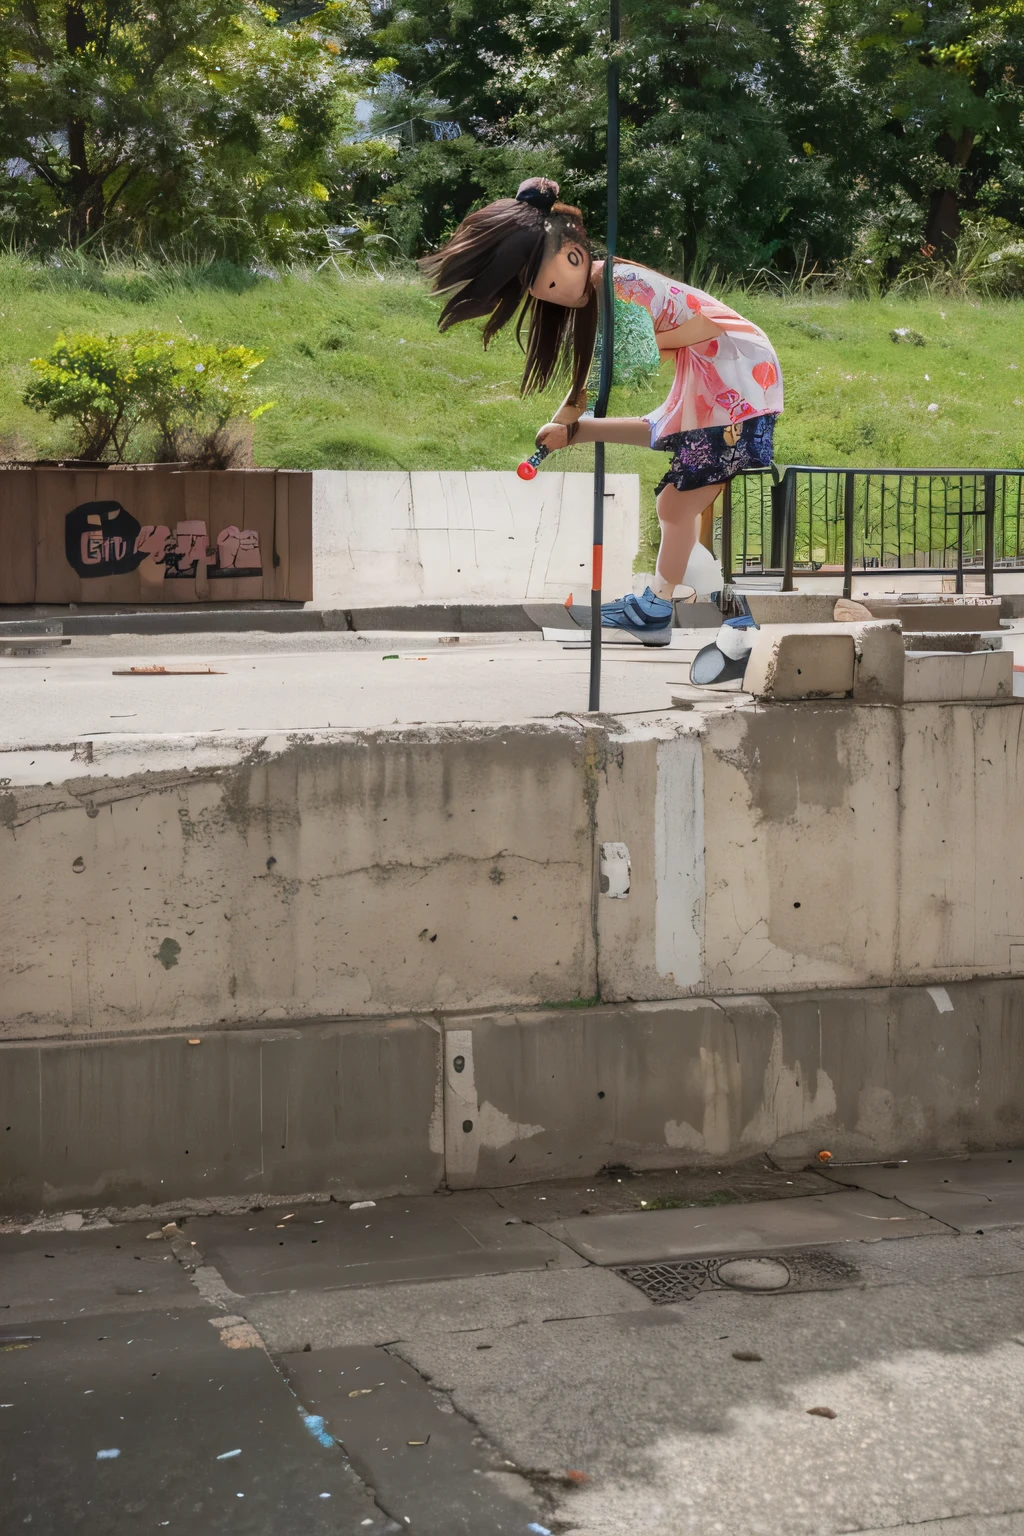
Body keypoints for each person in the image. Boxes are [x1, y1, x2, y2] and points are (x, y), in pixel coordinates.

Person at [421, 176, 783, 640]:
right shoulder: (601, 289)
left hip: (741, 374)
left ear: (574, 254)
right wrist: (569, 427)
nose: (548, 295)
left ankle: (662, 608)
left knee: (675, 505)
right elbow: (606, 386)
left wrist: (642, 350)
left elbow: (706, 325)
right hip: (722, 373)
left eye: (549, 282)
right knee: (672, 488)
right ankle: (719, 610)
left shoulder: (619, 281)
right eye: (539, 291)